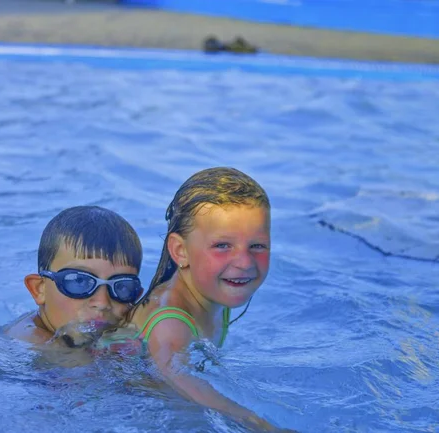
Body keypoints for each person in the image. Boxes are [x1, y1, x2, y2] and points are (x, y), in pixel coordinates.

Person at [98, 167, 293, 432]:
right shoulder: (170, 323)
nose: (244, 263)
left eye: (257, 246)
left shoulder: (214, 291)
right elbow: (186, 385)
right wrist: (263, 427)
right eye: (222, 246)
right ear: (181, 251)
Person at [6, 205, 144, 353]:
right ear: (39, 289)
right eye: (80, 281)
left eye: (122, 287)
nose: (102, 303)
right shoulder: (28, 341)